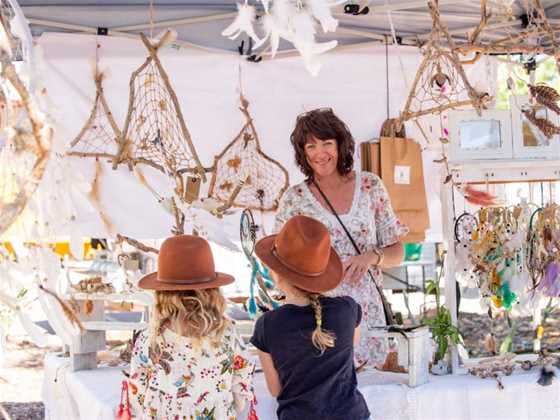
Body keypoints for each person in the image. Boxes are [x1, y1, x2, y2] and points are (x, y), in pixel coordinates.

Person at [275, 108, 408, 366]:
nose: (320, 153)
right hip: (318, 316)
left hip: (368, 313)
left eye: (327, 143)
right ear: (302, 152)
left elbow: (398, 252)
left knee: (375, 393)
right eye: (311, 146)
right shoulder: (294, 199)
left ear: (340, 145)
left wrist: (373, 256)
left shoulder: (371, 186)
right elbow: (278, 264)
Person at [251, 215, 370, 420]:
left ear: (277, 274)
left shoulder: (267, 325)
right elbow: (353, 342)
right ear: (322, 275)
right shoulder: (347, 309)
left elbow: (275, 390)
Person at [128, 235, 254, 419]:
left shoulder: (150, 338)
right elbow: (242, 385)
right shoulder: (226, 333)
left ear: (162, 293)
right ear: (212, 291)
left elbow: (136, 394)